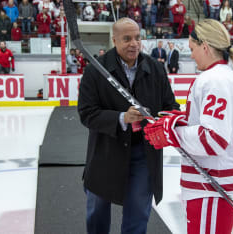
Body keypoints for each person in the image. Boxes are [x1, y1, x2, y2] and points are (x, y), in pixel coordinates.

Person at [143, 19, 233, 234]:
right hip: (209, 184)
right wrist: (174, 120)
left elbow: (213, 138)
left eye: (193, 49)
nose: (191, 55)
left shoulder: (216, 80)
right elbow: (209, 125)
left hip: (212, 185)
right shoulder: (219, 77)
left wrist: (171, 132)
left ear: (205, 46)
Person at [77, 17, 179, 234]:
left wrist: (167, 122)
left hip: (144, 154)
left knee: (138, 215)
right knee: (97, 212)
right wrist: (122, 118)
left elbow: (171, 106)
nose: (134, 43)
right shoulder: (96, 70)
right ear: (114, 40)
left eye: (137, 38)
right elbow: (86, 114)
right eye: (127, 39)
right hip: (106, 152)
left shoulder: (156, 69)